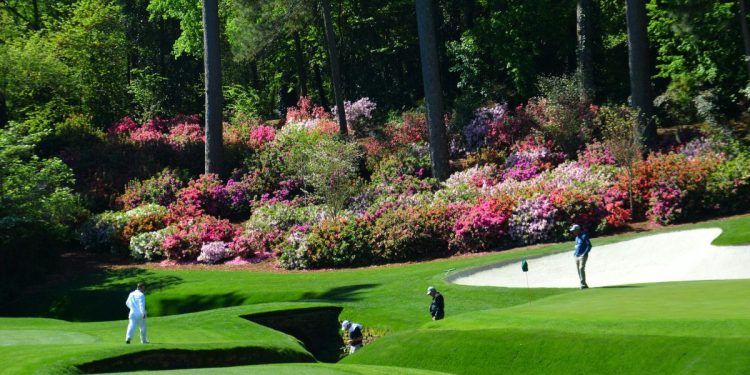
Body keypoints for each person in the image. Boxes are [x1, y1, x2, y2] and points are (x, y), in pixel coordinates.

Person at [570, 224, 592, 289]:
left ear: (577, 230)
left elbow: (589, 245)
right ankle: (584, 284)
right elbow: (577, 246)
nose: (573, 232)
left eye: (574, 230)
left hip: (583, 255)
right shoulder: (576, 238)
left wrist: (585, 253)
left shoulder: (584, 236)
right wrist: (574, 254)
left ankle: (582, 284)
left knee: (581, 268)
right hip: (576, 256)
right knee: (578, 270)